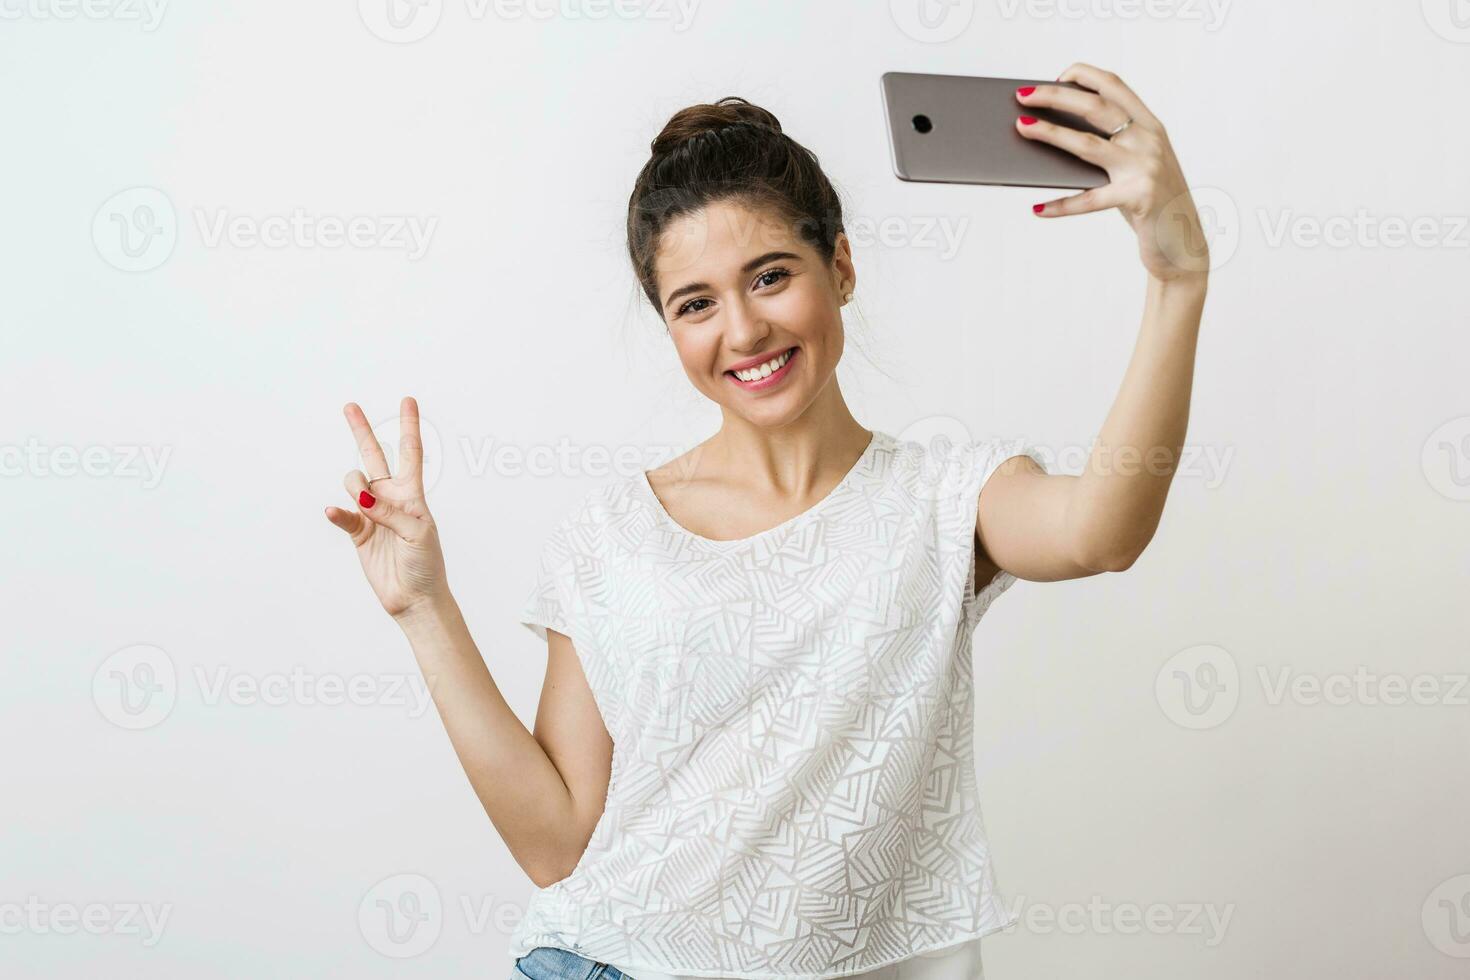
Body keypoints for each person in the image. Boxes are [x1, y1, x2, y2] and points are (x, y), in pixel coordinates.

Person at [324, 62, 1208, 980]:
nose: (741, 331)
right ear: (669, 327)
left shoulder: (945, 499)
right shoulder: (611, 536)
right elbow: (558, 849)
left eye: (771, 276)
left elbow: (1103, 531)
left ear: (843, 266)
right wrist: (423, 607)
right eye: (695, 303)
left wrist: (1177, 278)